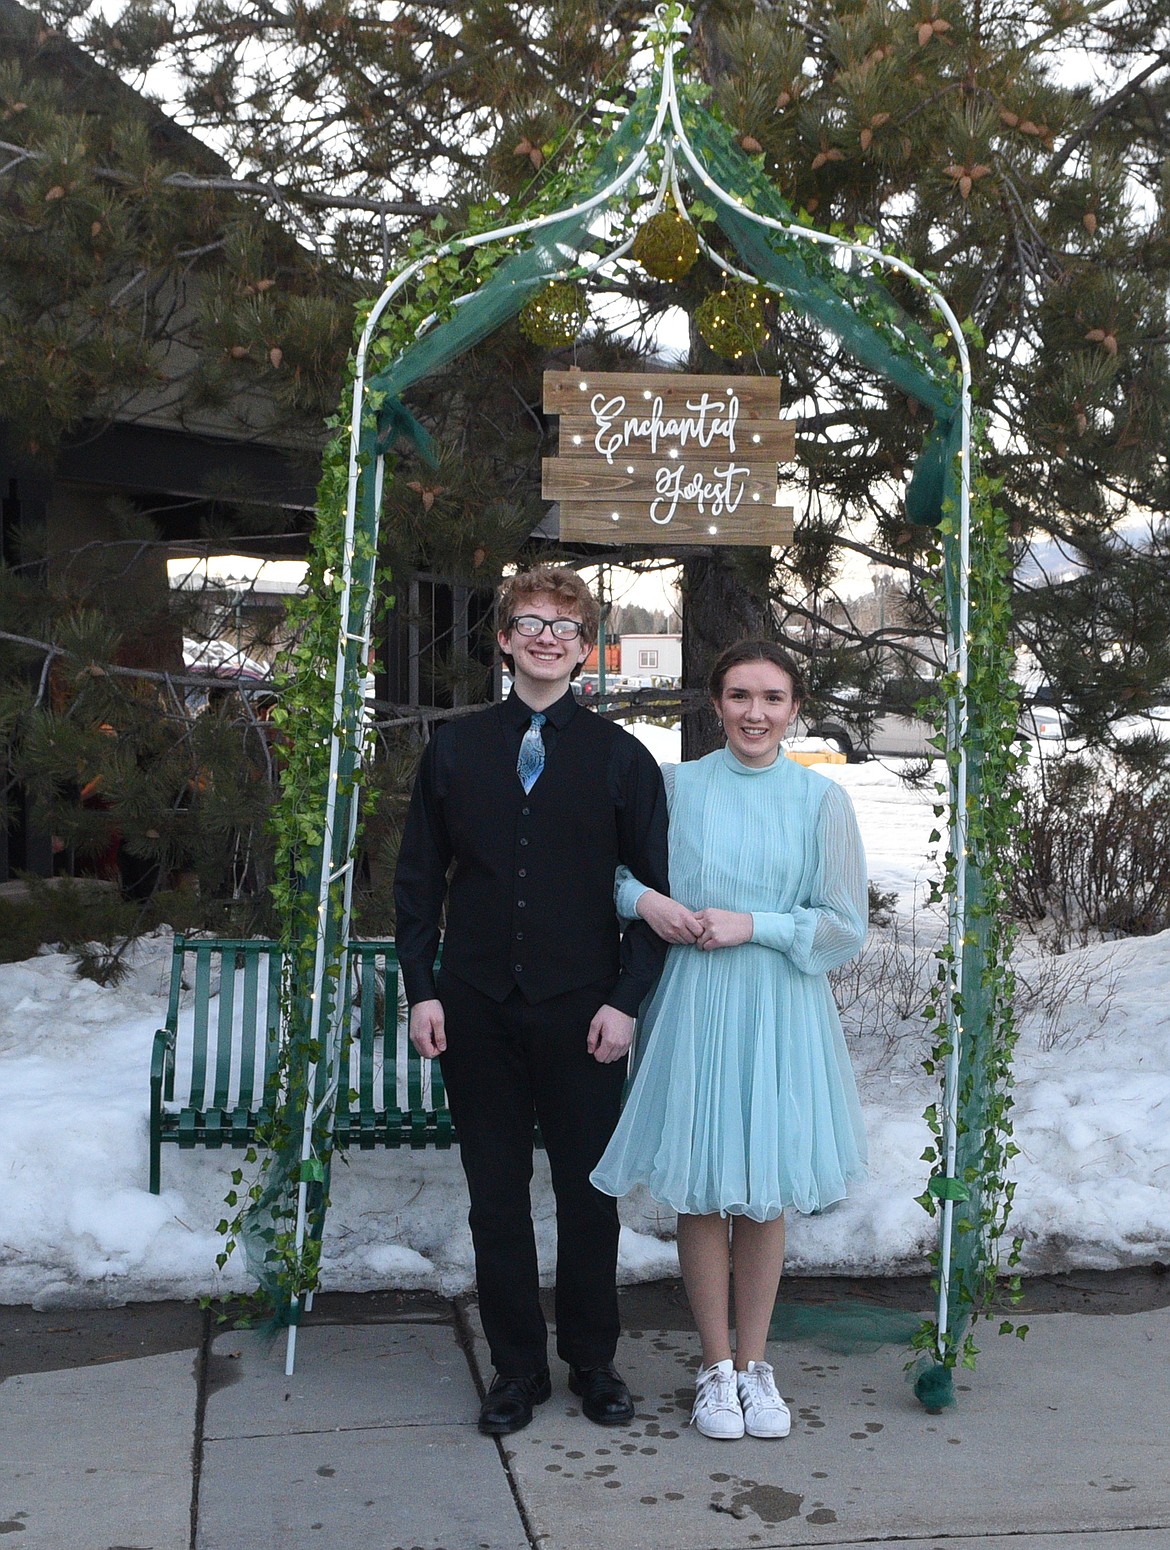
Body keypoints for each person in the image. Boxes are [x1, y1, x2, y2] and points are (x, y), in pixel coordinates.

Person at [394, 565, 669, 1437]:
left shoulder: (624, 760)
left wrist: (626, 1001)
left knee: (591, 1193)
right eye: (530, 621)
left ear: (585, 649)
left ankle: (592, 1358)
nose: (546, 635)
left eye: (564, 625)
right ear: (506, 639)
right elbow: (414, 883)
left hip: (583, 1008)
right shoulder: (455, 748)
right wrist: (421, 990)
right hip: (474, 1003)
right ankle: (516, 1368)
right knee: (494, 1194)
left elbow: (652, 894)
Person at [591, 639, 868, 1441]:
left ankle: (756, 1365)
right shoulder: (677, 788)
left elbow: (846, 927)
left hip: (781, 1005)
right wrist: (650, 903)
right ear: (716, 703)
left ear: (793, 708)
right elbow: (611, 876)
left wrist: (761, 924)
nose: (756, 713)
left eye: (773, 698)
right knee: (706, 1183)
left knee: (767, 1186)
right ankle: (714, 1368)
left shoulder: (821, 803)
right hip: (695, 1003)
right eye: (741, 696)